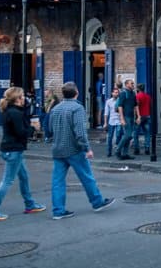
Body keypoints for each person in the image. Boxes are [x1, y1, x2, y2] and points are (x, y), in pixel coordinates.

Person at [48, 81, 114, 219]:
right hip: (74, 149)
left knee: (57, 181)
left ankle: (58, 210)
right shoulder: (77, 108)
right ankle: (97, 202)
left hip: (58, 148)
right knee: (86, 176)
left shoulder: (55, 109)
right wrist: (87, 148)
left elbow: (49, 129)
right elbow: (80, 132)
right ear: (76, 93)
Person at [0, 87, 46, 221]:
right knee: (7, 181)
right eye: (22, 96)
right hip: (13, 150)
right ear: (17, 99)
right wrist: (33, 128)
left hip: (11, 149)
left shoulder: (12, 111)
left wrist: (27, 111)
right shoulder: (15, 113)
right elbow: (21, 133)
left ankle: (30, 204)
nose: (24, 98)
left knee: (24, 177)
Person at [103, 87, 122, 157]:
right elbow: (106, 113)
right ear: (112, 93)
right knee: (110, 137)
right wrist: (105, 123)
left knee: (118, 135)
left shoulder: (120, 101)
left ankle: (118, 150)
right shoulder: (109, 101)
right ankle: (109, 151)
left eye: (117, 92)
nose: (116, 94)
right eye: (115, 92)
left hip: (119, 121)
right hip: (111, 121)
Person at [133, 83, 152, 155]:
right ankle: (147, 148)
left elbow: (136, 107)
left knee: (136, 134)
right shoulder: (148, 96)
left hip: (139, 117)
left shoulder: (137, 96)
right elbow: (150, 106)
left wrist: (136, 116)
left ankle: (136, 149)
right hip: (147, 115)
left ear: (138, 89)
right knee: (147, 133)